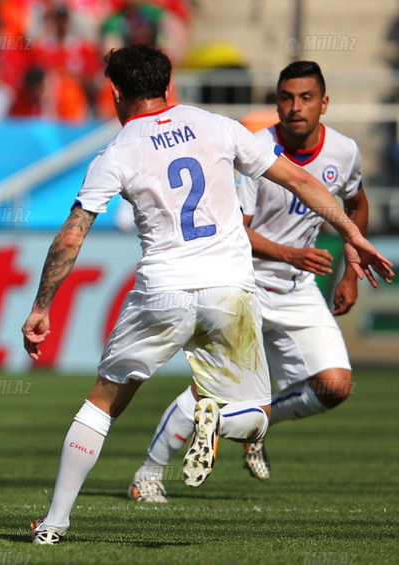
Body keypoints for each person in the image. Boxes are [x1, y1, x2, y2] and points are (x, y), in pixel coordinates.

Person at [21, 44, 392, 545]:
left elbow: (71, 236)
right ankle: (217, 416)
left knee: (102, 404)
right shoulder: (218, 125)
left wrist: (42, 306)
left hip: (163, 290)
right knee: (256, 418)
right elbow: (301, 179)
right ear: (168, 83)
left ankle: (54, 524)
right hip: (231, 291)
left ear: (114, 91)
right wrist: (352, 234)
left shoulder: (117, 152)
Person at [128, 60, 372, 503]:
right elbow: (234, 226)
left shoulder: (344, 151)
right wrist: (287, 252)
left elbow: (355, 203)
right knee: (207, 390)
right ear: (276, 102)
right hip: (244, 285)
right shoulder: (255, 150)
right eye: (286, 98)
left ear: (324, 103)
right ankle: (147, 474)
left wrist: (350, 275)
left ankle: (255, 427)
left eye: (306, 98)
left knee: (335, 386)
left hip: (299, 289)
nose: (295, 107)